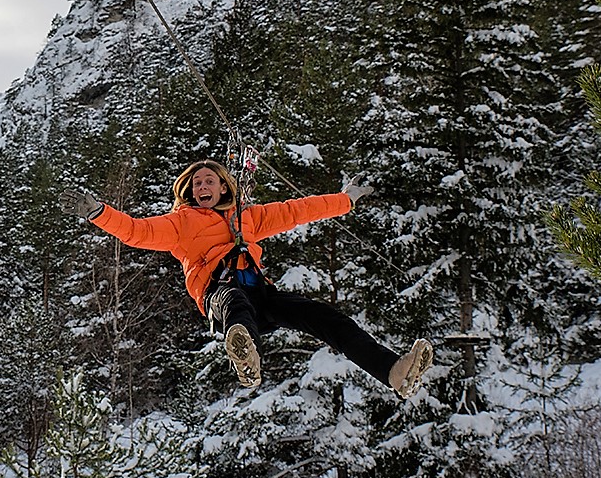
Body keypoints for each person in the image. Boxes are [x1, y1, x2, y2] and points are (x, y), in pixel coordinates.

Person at [59, 159, 433, 398]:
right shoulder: (181, 223)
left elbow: (297, 210)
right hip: (219, 293)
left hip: (262, 295)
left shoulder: (248, 217)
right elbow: (137, 231)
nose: (201, 187)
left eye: (209, 181)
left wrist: (345, 199)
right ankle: (245, 352)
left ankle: (392, 371)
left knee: (326, 318)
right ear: (189, 193)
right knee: (234, 303)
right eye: (195, 184)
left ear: (224, 187)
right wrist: (98, 213)